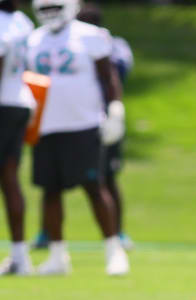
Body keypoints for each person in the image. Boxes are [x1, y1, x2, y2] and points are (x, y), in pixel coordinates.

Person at [26, 0, 129, 275]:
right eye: (45, 8)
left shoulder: (90, 35)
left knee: (94, 186)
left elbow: (108, 78)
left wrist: (115, 109)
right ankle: (57, 255)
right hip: (46, 125)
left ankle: (113, 249)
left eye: (55, 7)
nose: (50, 13)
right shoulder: (33, 40)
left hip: (83, 123)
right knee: (50, 191)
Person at [0, 0, 34, 275]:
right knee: (10, 178)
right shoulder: (23, 21)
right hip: (20, 101)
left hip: (2, 103)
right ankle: (20, 256)